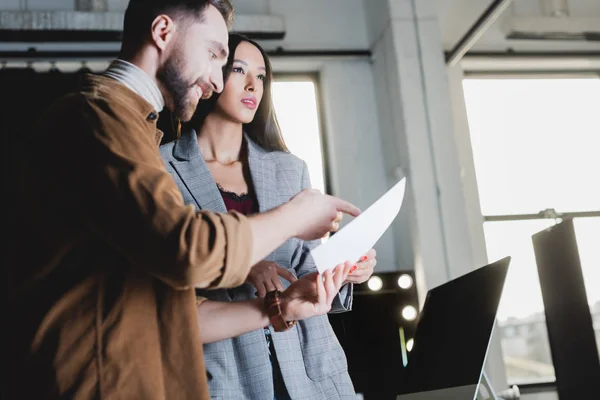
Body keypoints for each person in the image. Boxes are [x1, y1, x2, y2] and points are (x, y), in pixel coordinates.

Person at [5, 1, 361, 399]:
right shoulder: (98, 116)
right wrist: (296, 214)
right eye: (213, 55)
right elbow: (189, 250)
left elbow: (179, 310)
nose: (214, 78)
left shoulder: (136, 130)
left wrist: (279, 309)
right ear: (162, 32)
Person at [159, 33, 377, 399]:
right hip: (223, 372)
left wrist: (344, 272)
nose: (252, 85)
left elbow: (305, 269)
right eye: (239, 70)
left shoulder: (290, 169)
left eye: (261, 76)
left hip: (310, 370)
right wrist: (243, 265)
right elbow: (171, 269)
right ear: (211, 73)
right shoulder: (162, 167)